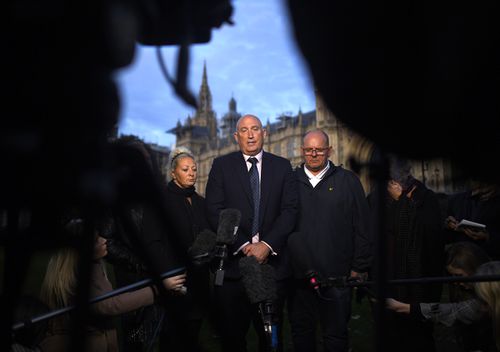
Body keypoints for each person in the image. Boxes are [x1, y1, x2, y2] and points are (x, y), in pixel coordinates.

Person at [205, 114, 298, 352]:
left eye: (255, 129)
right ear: (236, 136)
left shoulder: (282, 166)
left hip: (272, 269)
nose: (250, 134)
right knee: (234, 340)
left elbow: (290, 211)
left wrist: (267, 244)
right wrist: (244, 244)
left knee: (272, 339)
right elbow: (214, 211)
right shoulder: (221, 166)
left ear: (264, 132)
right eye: (244, 130)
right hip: (235, 270)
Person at [38, 219, 186, 352]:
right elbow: (107, 304)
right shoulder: (76, 275)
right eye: (96, 240)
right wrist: (156, 290)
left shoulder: (91, 265)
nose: (104, 240)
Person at [287, 129, 371, 352]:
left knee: (335, 337)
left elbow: (362, 226)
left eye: (319, 149)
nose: (314, 154)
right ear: (302, 151)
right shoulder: (290, 182)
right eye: (309, 150)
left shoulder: (348, 181)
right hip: (299, 280)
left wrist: (359, 266)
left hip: (337, 278)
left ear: (329, 151)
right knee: (302, 335)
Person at [369, 156, 445, 352]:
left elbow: (431, 238)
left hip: (418, 282)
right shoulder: (375, 199)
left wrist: (401, 201)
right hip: (387, 278)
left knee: (419, 337)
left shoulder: (425, 197)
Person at [160, 147, 210, 352]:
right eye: (185, 169)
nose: (191, 173)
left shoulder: (201, 202)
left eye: (194, 169)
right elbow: (155, 242)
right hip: (174, 281)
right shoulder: (162, 201)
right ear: (173, 173)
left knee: (192, 334)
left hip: (198, 282)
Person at [387, 261, 500, 352]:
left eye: (485, 301)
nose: (481, 307)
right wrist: (400, 306)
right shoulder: (481, 307)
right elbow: (452, 311)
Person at [444, 179, 500, 260]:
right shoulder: (455, 200)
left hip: (490, 259)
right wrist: (448, 225)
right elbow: (446, 236)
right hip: (461, 258)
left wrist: (487, 236)